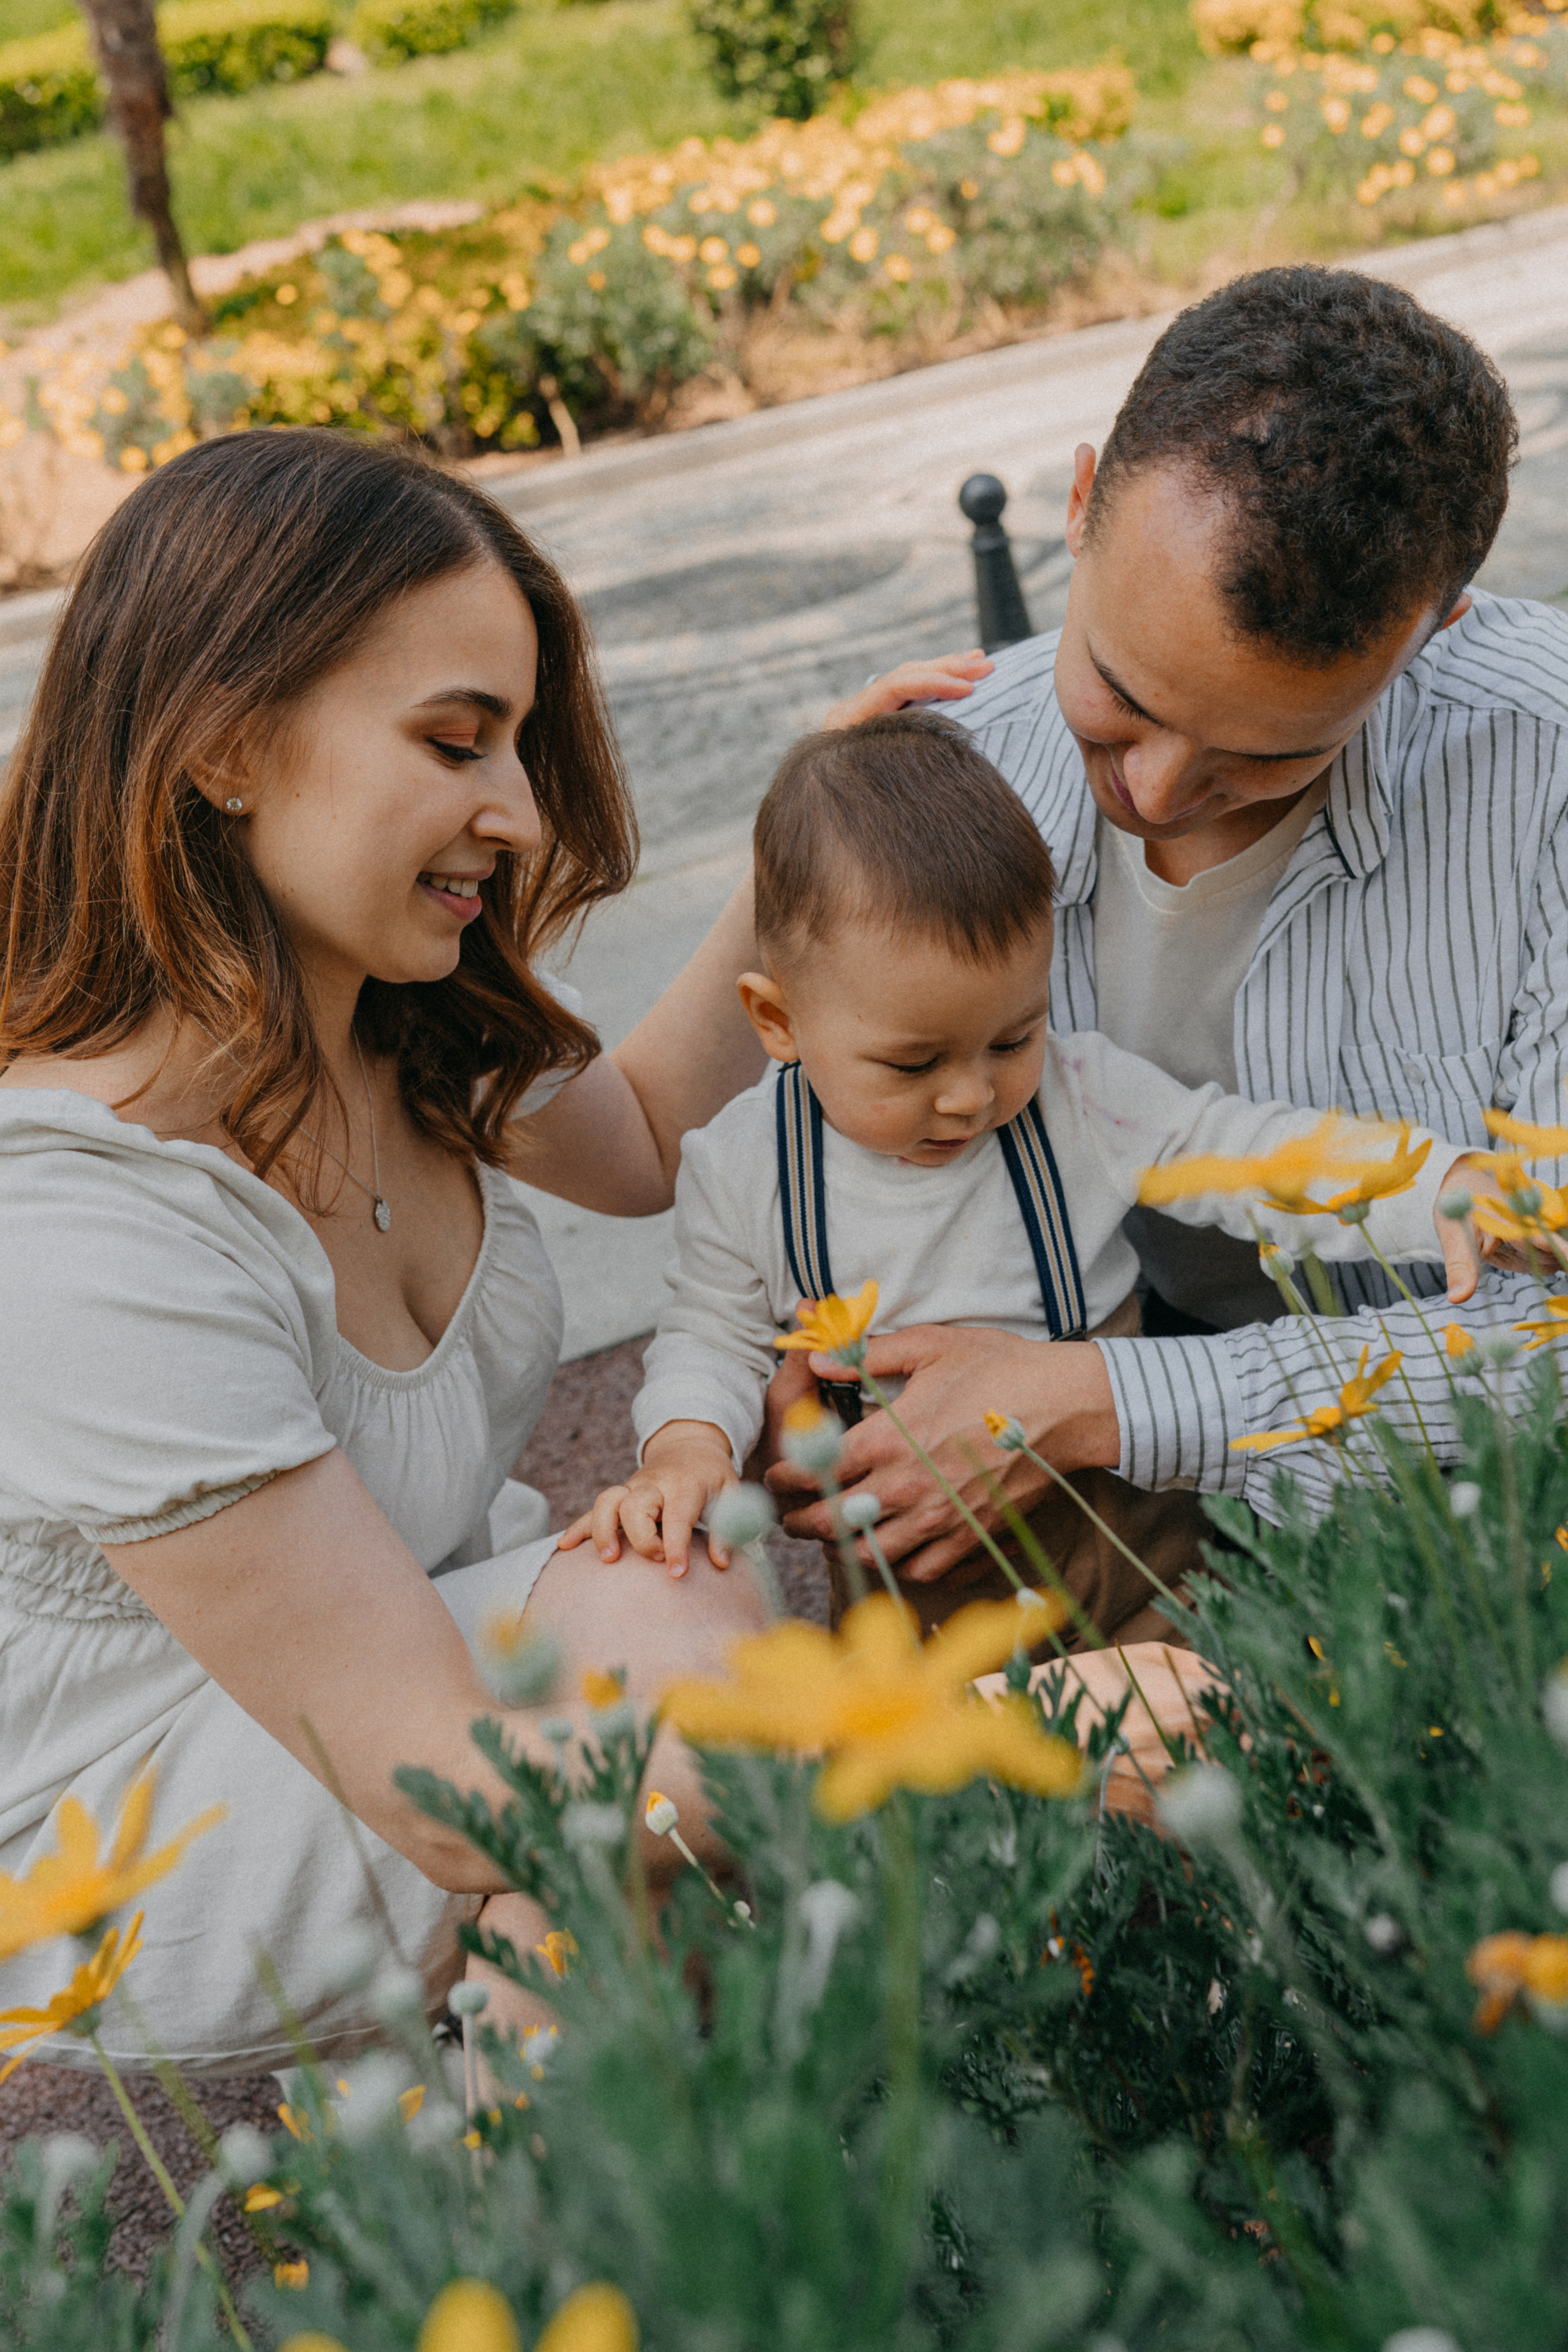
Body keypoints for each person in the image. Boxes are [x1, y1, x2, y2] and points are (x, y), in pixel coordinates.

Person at [0, 428, 773, 2072]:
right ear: (224, 747)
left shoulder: (405, 1026)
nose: (515, 808)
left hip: (402, 1683)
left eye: (520, 745)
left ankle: (597, 2221)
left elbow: (637, 1141)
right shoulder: (76, 1221)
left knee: (687, 1570)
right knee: (646, 1678)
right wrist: (984, 1739)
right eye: (455, 740)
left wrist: (809, 847)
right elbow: (452, 1787)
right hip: (106, 1850)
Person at [770, 264, 1568, 1583]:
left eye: (1265, 757)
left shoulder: (1544, 767)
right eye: (1116, 694)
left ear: (1430, 635)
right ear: (1080, 504)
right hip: (1080, 1482)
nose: (1147, 793)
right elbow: (697, 1142)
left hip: (1480, 1524)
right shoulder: (949, 763)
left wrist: (1099, 1404)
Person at [569, 710, 1494, 1633]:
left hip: (1134, 1522)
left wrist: (1438, 1187)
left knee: (1202, 1702)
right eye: (915, 1063)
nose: (972, 1095)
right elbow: (709, 1334)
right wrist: (685, 1447)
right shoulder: (746, 1166)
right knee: (963, 1765)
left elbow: (1248, 1151)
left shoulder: (1079, 1094)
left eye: (1013, 1036)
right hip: (921, 1575)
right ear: (777, 1023)